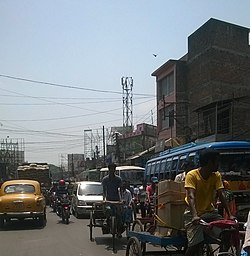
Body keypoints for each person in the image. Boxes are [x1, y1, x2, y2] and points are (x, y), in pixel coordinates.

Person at [184, 148, 235, 256]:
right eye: (216, 161)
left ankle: (222, 254)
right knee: (195, 244)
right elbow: (191, 196)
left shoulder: (216, 175)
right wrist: (194, 215)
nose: (218, 164)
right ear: (209, 162)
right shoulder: (192, 175)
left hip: (210, 212)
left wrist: (230, 215)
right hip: (193, 213)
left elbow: (221, 195)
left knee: (227, 231)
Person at [101, 163, 123, 236]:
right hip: (108, 200)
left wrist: (121, 199)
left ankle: (119, 230)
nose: (112, 171)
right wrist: (104, 200)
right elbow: (104, 191)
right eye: (111, 169)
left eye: (113, 169)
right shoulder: (105, 179)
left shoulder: (118, 179)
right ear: (109, 170)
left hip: (117, 200)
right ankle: (107, 221)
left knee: (119, 215)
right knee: (108, 210)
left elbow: (120, 190)